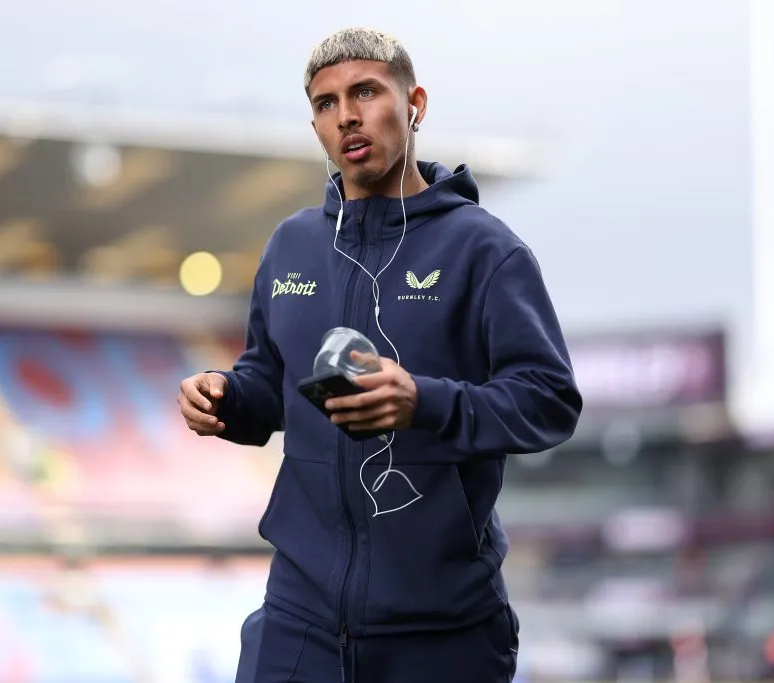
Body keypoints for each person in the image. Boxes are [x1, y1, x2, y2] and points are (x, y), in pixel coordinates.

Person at [177, 26, 582, 683]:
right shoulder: (292, 246)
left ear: (415, 102)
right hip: (298, 622)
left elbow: (549, 398)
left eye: (365, 91)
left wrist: (425, 401)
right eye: (326, 103)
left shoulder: (484, 250)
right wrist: (224, 398)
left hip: (442, 632)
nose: (348, 116)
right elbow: (268, 380)